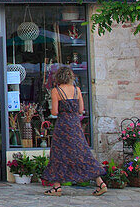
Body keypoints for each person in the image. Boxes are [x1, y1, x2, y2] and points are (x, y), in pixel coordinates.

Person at [43, 67, 108, 196]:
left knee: (58, 154)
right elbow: (81, 109)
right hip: (75, 125)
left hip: (62, 126)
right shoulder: (77, 90)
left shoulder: (56, 91)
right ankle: (100, 182)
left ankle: (57, 187)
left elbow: (54, 112)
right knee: (83, 153)